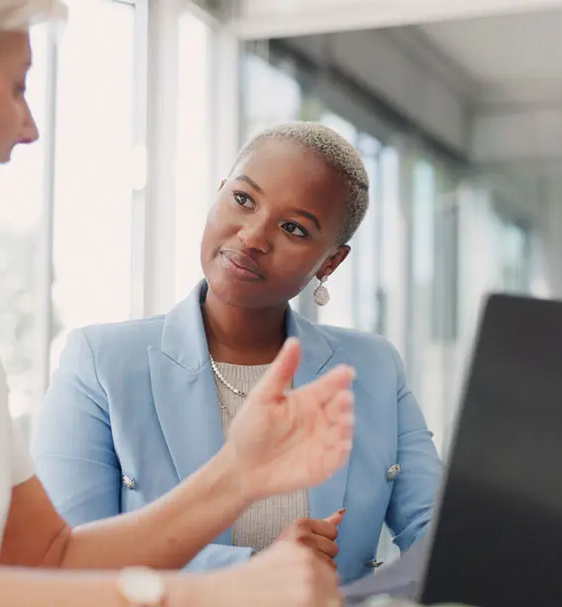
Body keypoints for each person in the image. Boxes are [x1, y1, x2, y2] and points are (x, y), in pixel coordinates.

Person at [0, 2, 357, 606]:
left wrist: (238, 473)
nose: (28, 127)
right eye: (15, 87)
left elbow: (48, 561)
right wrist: (195, 597)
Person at [31, 121, 443, 585]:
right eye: (244, 200)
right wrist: (252, 571)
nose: (252, 237)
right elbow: (61, 567)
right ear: (220, 192)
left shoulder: (371, 369)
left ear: (330, 262)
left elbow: (442, 542)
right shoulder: (102, 363)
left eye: (293, 228)